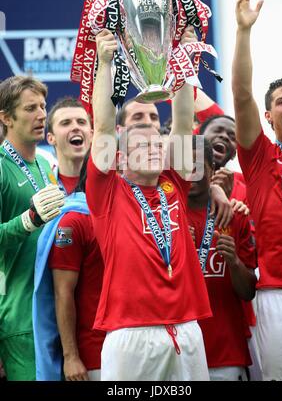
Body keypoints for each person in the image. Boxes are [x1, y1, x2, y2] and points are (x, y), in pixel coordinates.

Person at [86, 26, 215, 381]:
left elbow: (185, 121)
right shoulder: (108, 193)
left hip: (187, 329)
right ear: (121, 158)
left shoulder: (175, 182)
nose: (154, 145)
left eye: (158, 139)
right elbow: (102, 130)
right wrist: (104, 63)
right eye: (141, 143)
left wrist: (187, 62)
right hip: (130, 334)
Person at [232, 0, 282, 381]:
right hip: (277, 296)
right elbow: (241, 95)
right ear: (270, 118)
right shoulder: (260, 157)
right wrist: (244, 32)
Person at [0, 76, 65, 381]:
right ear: (5, 117)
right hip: (21, 319)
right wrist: (29, 220)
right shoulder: (0, 166)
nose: (42, 115)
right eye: (30, 108)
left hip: (58, 312)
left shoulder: (45, 163)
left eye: (42, 106)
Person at [187, 136, 257, 381]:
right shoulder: (166, 218)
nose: (191, 174)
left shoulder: (234, 216)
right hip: (180, 351)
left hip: (227, 353)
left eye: (198, 167)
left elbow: (248, 292)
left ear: (212, 169)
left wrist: (234, 262)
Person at [33, 153, 105, 381]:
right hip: (94, 356)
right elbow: (62, 292)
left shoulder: (129, 215)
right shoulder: (74, 220)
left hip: (136, 347)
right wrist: (71, 356)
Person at [47, 97, 93, 195]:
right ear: (51, 138)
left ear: (91, 135)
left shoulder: (109, 185)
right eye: (66, 123)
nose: (75, 127)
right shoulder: (41, 184)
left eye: (81, 122)